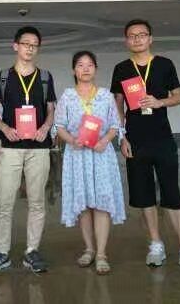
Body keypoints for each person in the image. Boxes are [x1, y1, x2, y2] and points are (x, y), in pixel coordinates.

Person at [110, 19, 180, 275]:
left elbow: (179, 96)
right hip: (135, 140)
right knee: (144, 196)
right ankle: (155, 244)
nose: (137, 39)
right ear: (126, 41)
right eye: (132, 35)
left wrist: (159, 102)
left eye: (142, 35)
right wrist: (122, 137)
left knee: (172, 194)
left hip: (163, 138)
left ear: (150, 38)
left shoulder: (164, 64)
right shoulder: (121, 69)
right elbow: (117, 105)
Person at [0, 26, 56, 275]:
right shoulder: (3, 77)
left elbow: (50, 109)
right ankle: (2, 252)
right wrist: (5, 128)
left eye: (34, 45)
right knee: (4, 201)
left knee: (37, 201)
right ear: (15, 46)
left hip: (39, 148)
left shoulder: (45, 77)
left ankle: (32, 251)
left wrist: (46, 127)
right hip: (11, 147)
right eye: (25, 43)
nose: (30, 48)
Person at [55, 51, 125, 275]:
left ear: (95, 69)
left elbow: (115, 124)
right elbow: (59, 126)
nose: (85, 69)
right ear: (73, 70)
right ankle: (89, 249)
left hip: (101, 155)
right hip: (77, 155)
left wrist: (105, 140)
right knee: (84, 203)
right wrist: (71, 140)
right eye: (80, 65)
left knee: (101, 202)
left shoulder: (105, 95)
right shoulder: (67, 96)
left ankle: (102, 253)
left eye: (90, 65)